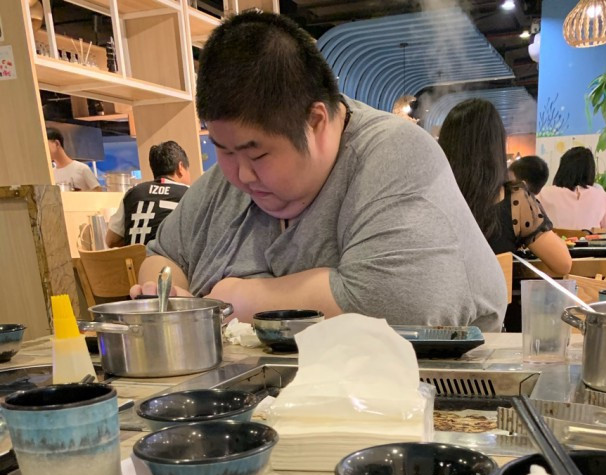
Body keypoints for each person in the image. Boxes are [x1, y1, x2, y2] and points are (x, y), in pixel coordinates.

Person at [133, 12, 507, 331]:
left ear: (315, 121)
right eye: (223, 149)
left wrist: (237, 298)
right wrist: (168, 296)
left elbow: (401, 303)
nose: (241, 175)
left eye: (257, 153)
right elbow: (164, 255)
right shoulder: (228, 179)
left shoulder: (396, 154)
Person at [438, 99, 571, 276]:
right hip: (499, 294)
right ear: (496, 147)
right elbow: (563, 264)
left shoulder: (432, 199)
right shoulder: (516, 200)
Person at [105, 141, 191, 248]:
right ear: (181, 167)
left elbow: (111, 240)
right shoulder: (188, 194)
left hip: (134, 259)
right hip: (167, 258)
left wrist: (139, 246)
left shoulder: (133, 193)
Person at [538, 147, 606, 230]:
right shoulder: (601, 197)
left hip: (553, 238)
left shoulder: (543, 194)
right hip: (589, 238)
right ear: (590, 171)